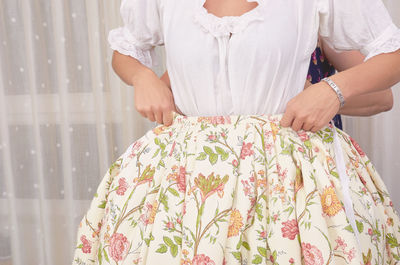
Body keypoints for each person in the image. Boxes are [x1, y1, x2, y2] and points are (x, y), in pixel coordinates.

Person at [72, 0, 400, 263]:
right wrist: (142, 77)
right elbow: (126, 49)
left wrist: (332, 90)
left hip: (286, 174)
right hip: (185, 176)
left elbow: (392, 54)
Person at [159, 37, 395, 129]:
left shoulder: (315, 23)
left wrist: (312, 94)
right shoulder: (213, 31)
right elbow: (166, 98)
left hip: (303, 165)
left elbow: (382, 98)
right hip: (222, 167)